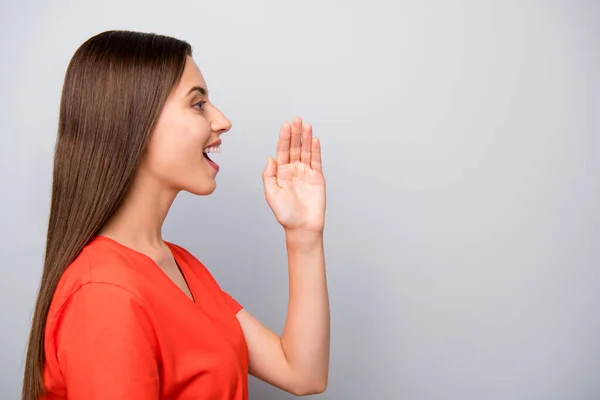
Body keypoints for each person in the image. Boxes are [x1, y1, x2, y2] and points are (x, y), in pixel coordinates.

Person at [21, 30, 330, 400]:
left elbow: (302, 373)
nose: (222, 121)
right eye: (198, 104)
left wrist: (304, 234)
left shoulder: (179, 265)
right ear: (135, 122)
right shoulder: (104, 294)